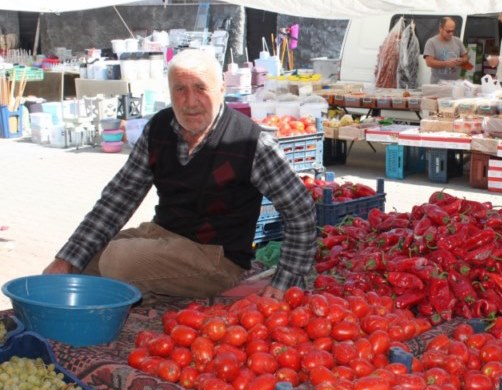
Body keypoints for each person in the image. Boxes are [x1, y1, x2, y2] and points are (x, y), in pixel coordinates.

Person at [43, 49, 317, 300]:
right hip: (164, 236)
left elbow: (300, 209)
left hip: (217, 257)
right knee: (85, 260)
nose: (190, 102)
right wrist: (66, 258)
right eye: (180, 90)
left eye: (200, 88)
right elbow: (119, 197)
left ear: (222, 89)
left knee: (117, 260)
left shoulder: (250, 142)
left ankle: (139, 295)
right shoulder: (159, 128)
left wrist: (284, 281)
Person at [423, 17, 468, 84]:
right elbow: (429, 62)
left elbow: (465, 58)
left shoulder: (457, 41)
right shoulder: (431, 42)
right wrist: (446, 64)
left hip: (455, 85)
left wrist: (460, 61)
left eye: (453, 31)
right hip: (438, 85)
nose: (451, 34)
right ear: (440, 29)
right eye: (448, 31)